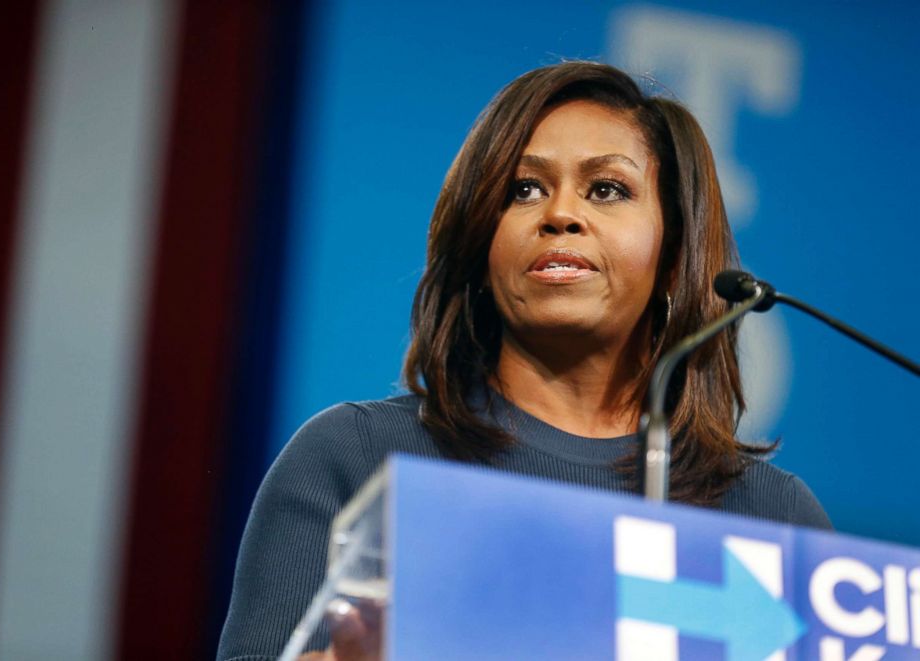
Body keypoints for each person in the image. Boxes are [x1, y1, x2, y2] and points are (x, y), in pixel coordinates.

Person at [216, 61, 831, 661]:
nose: (559, 214)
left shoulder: (771, 518)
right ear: (483, 242)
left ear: (675, 254)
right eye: (524, 190)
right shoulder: (356, 457)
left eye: (607, 189)